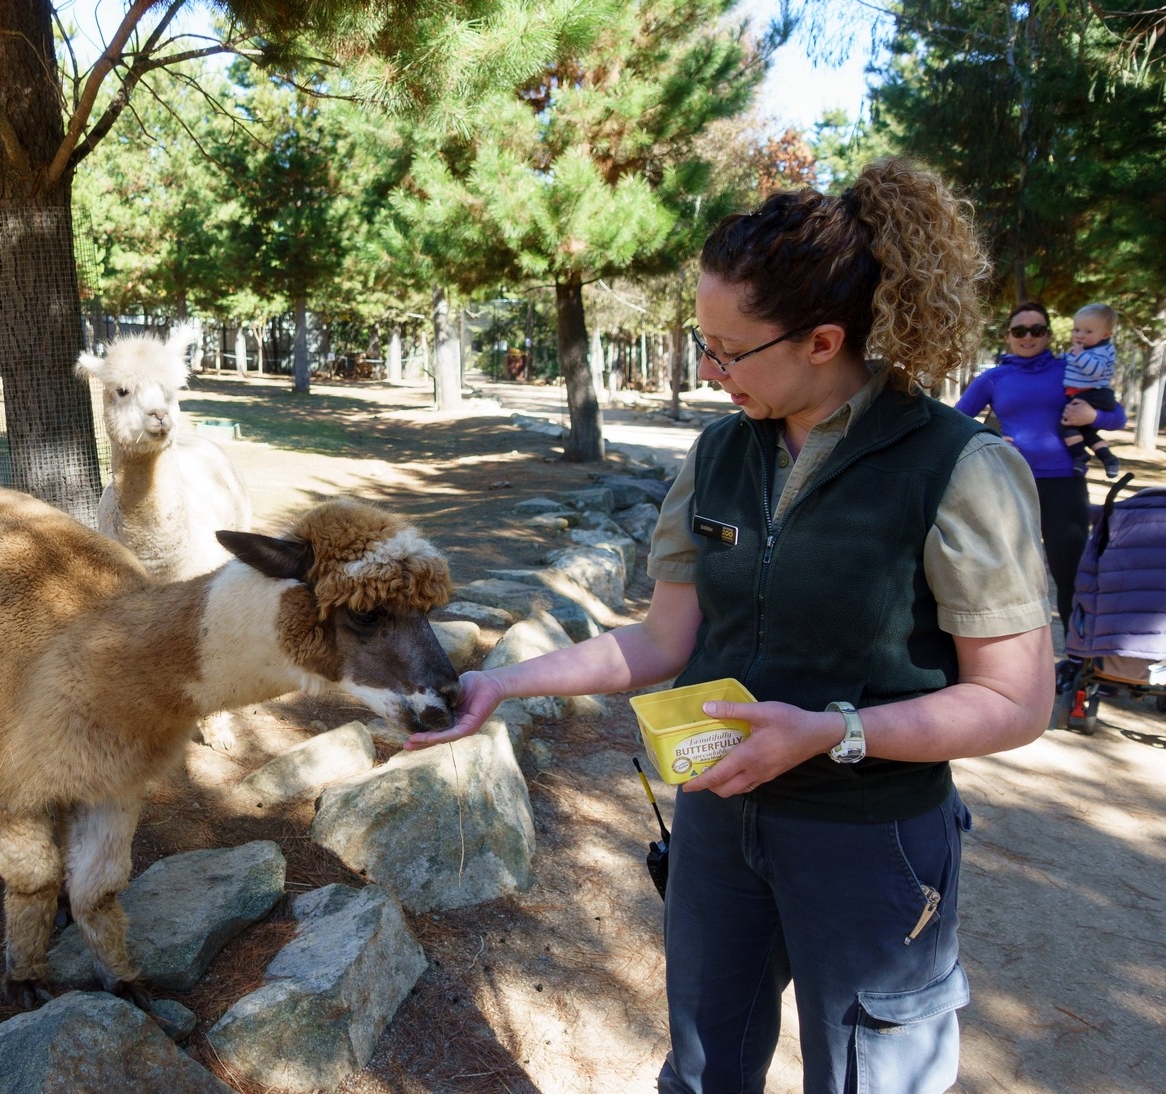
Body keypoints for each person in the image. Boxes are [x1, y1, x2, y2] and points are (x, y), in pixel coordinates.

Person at [405, 159, 1054, 1094]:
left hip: (868, 840)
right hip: (716, 820)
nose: (709, 373)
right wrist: (501, 684)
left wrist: (830, 733)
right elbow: (659, 642)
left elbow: (1015, 700)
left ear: (823, 341)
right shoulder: (716, 454)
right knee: (703, 1068)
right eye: (701, 344)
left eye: (728, 351)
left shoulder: (958, 466)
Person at [955, 302, 1128, 633]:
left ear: (1048, 334)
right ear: (1008, 336)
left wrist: (1093, 416)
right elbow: (955, 421)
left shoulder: (1071, 370)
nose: (1028, 336)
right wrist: (989, 438)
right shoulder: (993, 378)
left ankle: (1077, 654)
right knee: (1005, 577)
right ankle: (1007, 654)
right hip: (1009, 487)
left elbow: (1117, 416)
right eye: (1019, 330)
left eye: (1037, 329)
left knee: (1070, 574)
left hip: (1065, 484)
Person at [1061, 302, 1122, 478]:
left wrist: (1079, 355)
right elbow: (1070, 364)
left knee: (1065, 424)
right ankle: (1108, 458)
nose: (1080, 335)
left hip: (1094, 394)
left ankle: (1080, 455)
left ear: (1106, 334)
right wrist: (1066, 357)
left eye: (1088, 332)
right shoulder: (1086, 350)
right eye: (1076, 330)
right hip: (1086, 394)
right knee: (1086, 432)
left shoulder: (1101, 350)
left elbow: (1096, 370)